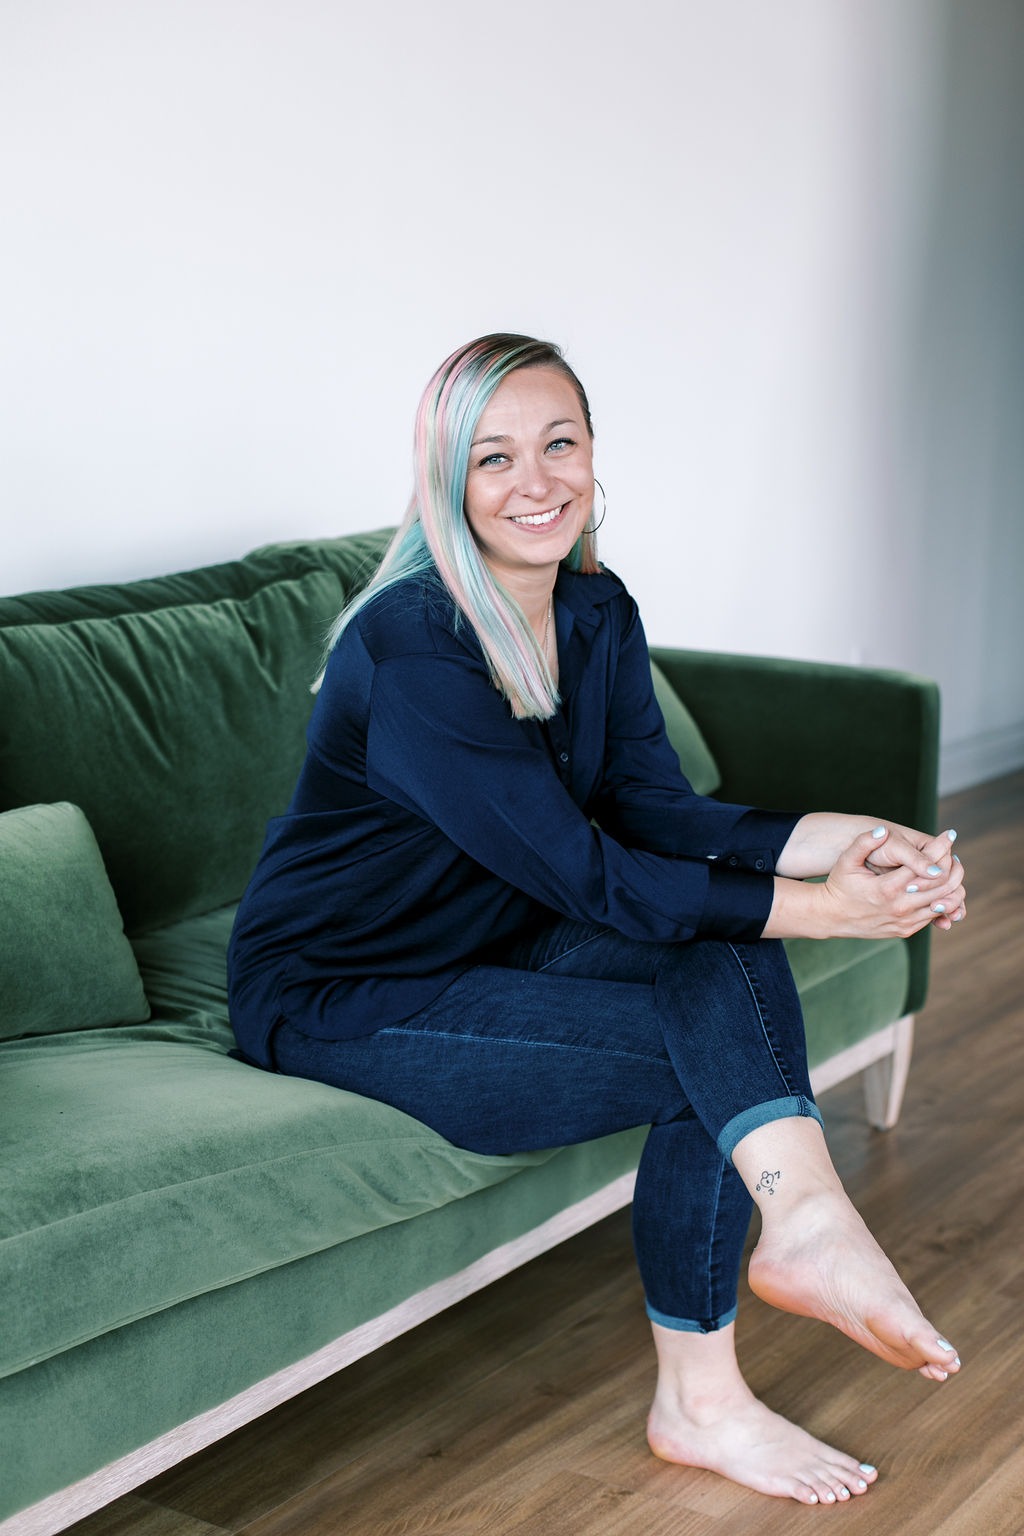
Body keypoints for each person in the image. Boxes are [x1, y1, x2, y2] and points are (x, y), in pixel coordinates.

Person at [228, 332, 966, 1507]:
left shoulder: (593, 605)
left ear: (591, 452)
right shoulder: (412, 645)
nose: (536, 483)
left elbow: (652, 810)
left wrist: (854, 839)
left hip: (497, 931)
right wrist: (831, 912)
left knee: (719, 952)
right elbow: (588, 872)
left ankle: (809, 1224)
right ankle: (707, 1393)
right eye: (493, 458)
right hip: (346, 993)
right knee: (702, 1049)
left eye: (558, 442)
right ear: (445, 484)